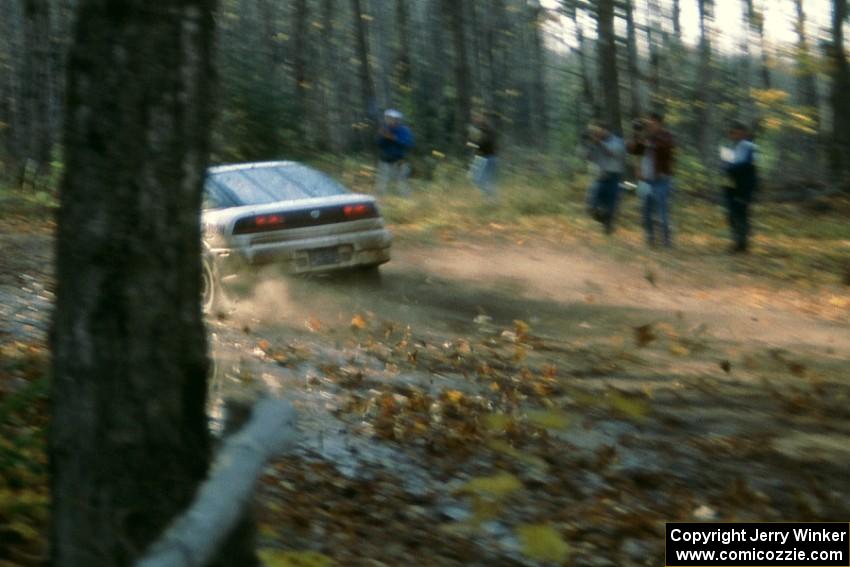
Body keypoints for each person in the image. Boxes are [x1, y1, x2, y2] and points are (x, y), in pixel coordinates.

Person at [627, 112, 675, 247]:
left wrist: (650, 136)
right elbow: (632, 149)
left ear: (660, 124)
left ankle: (666, 242)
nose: (649, 125)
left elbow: (664, 146)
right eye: (649, 123)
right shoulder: (647, 138)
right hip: (647, 181)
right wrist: (636, 132)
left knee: (662, 211)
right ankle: (650, 239)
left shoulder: (666, 136)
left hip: (662, 181)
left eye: (652, 123)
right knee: (646, 210)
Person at [721, 121, 758, 253]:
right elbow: (725, 167)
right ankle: (736, 241)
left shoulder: (749, 147)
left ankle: (743, 244)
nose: (731, 135)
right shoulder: (730, 147)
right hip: (731, 186)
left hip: (743, 186)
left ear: (742, 133)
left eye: (734, 132)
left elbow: (747, 167)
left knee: (741, 214)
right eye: (730, 132)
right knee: (731, 214)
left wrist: (729, 167)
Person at [585, 123, 626, 234]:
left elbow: (610, 153)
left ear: (606, 130)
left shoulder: (617, 141)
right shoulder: (597, 142)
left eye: (599, 131)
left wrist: (598, 142)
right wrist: (590, 144)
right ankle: (603, 221)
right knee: (592, 205)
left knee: (610, 207)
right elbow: (589, 157)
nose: (598, 133)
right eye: (596, 131)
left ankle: (608, 228)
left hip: (614, 177)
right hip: (601, 176)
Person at [376, 109, 414, 195]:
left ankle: (406, 200)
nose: (389, 120)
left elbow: (408, 143)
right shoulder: (384, 130)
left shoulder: (404, 130)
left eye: (391, 118)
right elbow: (379, 144)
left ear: (397, 120)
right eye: (388, 118)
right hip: (385, 161)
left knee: (403, 182)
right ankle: (382, 199)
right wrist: (382, 136)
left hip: (400, 161)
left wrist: (393, 138)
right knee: (382, 183)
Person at [468, 112, 498, 200]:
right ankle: (490, 197)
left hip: (488, 157)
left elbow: (484, 143)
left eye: (477, 116)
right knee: (474, 178)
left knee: (483, 179)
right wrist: (472, 143)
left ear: (482, 117)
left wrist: (475, 143)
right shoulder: (476, 128)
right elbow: (473, 142)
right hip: (480, 157)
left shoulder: (487, 129)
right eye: (474, 117)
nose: (475, 119)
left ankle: (491, 198)